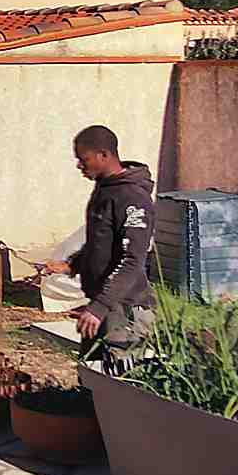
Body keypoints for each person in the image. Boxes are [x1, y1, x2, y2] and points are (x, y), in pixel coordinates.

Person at [42, 125, 156, 358]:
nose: (79, 166)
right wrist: (71, 265)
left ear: (104, 155)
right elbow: (100, 242)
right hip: (103, 304)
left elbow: (132, 261)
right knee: (91, 377)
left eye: (84, 159)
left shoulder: (132, 197)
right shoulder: (105, 190)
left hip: (124, 310)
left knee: (118, 385)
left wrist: (100, 307)